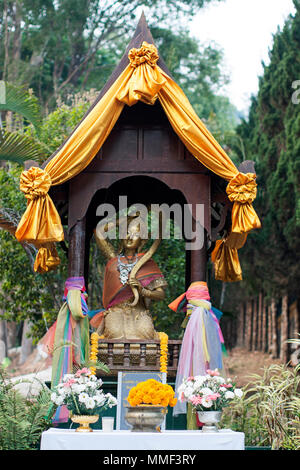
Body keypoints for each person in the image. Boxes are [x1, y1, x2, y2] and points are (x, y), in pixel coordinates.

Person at [92, 215, 167, 340]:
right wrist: (125, 219)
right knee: (115, 333)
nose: (129, 237)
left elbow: (161, 295)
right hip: (116, 311)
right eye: (127, 233)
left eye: (135, 234)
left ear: (142, 240)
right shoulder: (114, 259)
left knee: (145, 332)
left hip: (138, 311)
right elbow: (99, 231)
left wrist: (143, 290)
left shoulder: (147, 263)